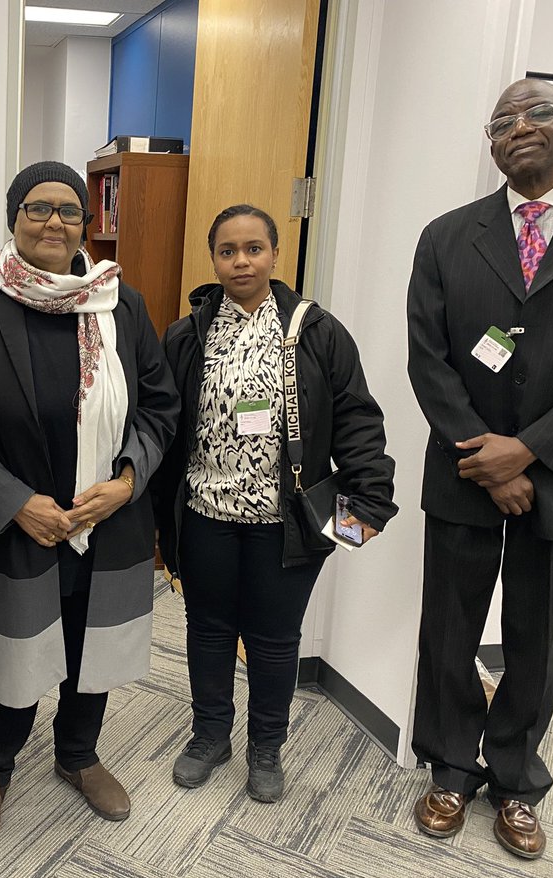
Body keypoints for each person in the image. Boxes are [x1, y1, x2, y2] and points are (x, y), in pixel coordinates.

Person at [407, 78, 553, 860]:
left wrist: (530, 450)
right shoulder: (446, 236)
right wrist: (487, 457)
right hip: (465, 471)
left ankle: (515, 781)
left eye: (537, 112)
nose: (519, 128)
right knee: (448, 629)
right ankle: (449, 769)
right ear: (490, 143)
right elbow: (429, 360)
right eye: (502, 121)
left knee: (538, 637)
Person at [0, 161, 179, 844]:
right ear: (13, 217)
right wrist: (17, 500)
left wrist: (128, 481)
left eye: (70, 211)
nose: (55, 222)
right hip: (17, 522)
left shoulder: (123, 304)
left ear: (87, 223)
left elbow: (161, 405)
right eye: (38, 208)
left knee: (92, 647)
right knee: (15, 651)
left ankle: (78, 754)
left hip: (106, 521)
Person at [155, 205, 395, 802]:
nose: (241, 261)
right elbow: (166, 425)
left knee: (273, 638)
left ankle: (267, 746)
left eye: (253, 249)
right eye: (228, 250)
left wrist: (369, 499)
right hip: (207, 514)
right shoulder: (187, 335)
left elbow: (357, 418)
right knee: (207, 629)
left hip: (286, 523)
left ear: (275, 255)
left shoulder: (318, 331)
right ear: (213, 259)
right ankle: (210, 734)